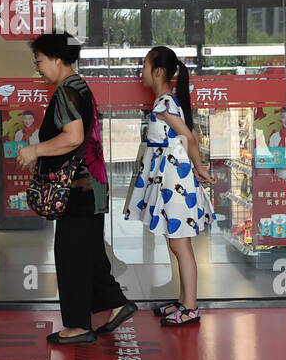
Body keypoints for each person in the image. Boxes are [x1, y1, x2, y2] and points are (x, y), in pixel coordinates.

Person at [16, 33, 133, 344]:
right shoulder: (80, 87)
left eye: (39, 60)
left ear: (56, 59)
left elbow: (73, 137)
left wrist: (35, 150)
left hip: (76, 189)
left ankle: (79, 326)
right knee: (90, 251)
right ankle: (117, 304)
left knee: (71, 254)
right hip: (90, 185)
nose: (37, 67)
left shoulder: (67, 92)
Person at [124, 46, 214, 326]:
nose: (141, 72)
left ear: (158, 71)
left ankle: (190, 308)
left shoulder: (164, 103)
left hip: (174, 184)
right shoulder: (165, 102)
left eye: (144, 65)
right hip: (169, 182)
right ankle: (184, 301)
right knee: (177, 244)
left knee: (180, 245)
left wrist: (200, 168)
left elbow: (190, 138)